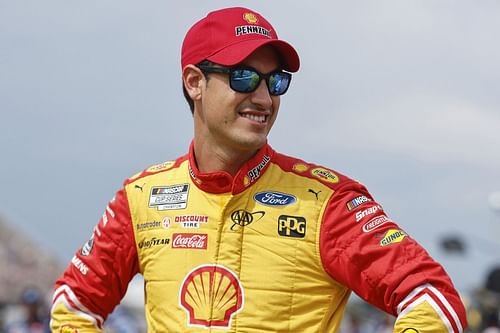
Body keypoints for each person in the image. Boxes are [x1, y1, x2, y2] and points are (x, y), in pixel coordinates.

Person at [50, 6, 468, 333]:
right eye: (245, 77)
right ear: (194, 82)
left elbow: (433, 297)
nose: (264, 97)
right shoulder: (140, 197)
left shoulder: (329, 201)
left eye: (276, 81)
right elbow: (73, 305)